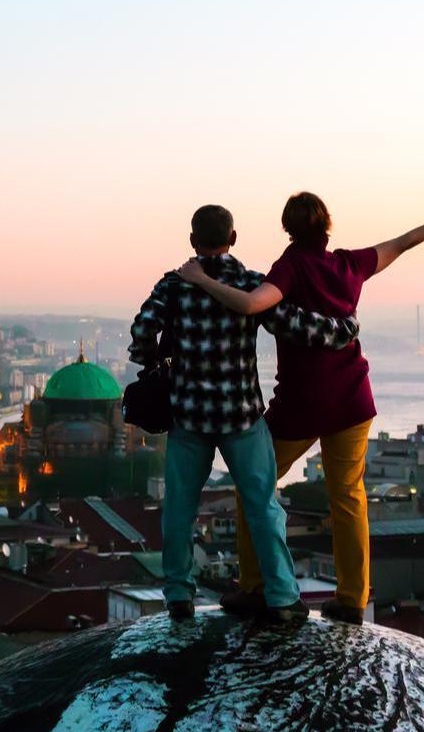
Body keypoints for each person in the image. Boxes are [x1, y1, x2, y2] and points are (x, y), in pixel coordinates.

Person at [177, 193, 424, 624]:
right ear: (327, 226)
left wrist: (200, 279)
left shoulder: (290, 267)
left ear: (287, 228)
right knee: (349, 498)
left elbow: (248, 304)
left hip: (301, 406)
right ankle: (353, 600)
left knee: (253, 486)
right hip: (353, 400)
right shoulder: (348, 265)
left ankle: (256, 586)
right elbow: (405, 241)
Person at [129, 204, 361, 624]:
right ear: (233, 238)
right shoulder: (250, 284)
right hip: (241, 418)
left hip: (190, 416)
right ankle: (283, 597)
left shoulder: (174, 285)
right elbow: (297, 324)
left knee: (180, 507)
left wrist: (152, 363)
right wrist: (344, 328)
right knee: (263, 506)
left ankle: (179, 595)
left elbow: (142, 328)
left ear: (192, 241)